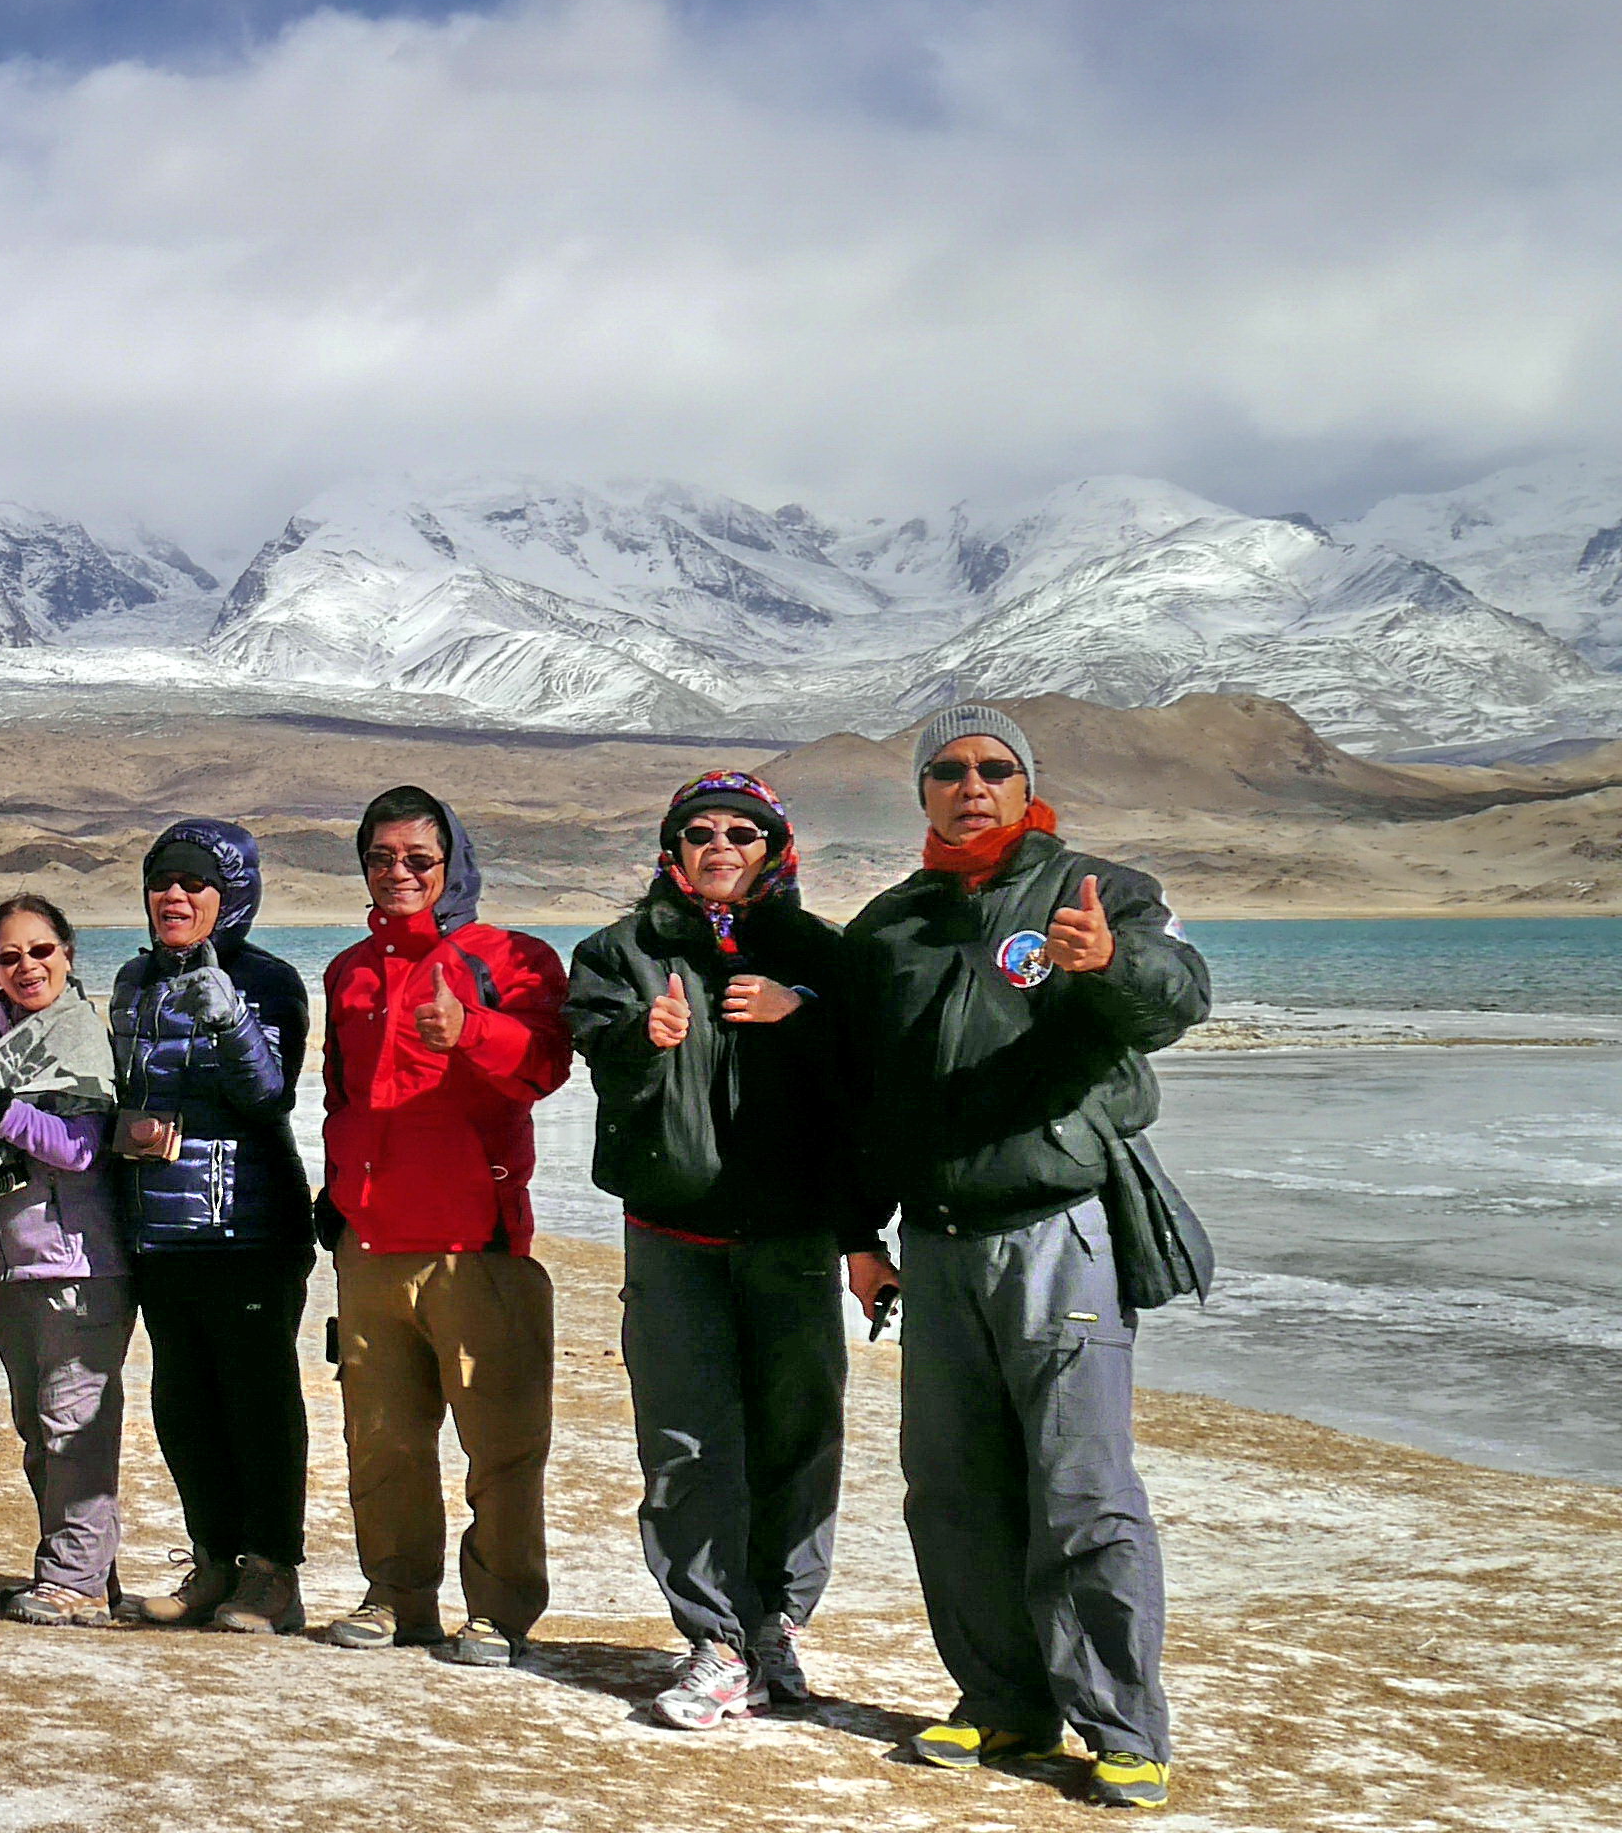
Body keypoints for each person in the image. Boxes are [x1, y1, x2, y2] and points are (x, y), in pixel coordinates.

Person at [837, 706, 1208, 1809]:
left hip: (1057, 1226)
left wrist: (1111, 962)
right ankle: (1002, 1702)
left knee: (1081, 1486)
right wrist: (857, 1233)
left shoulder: (1095, 892)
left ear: (1024, 783)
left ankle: (1122, 1727)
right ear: (922, 790)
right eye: (948, 770)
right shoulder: (891, 926)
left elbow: (1179, 995)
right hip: (936, 1242)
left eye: (994, 768)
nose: (972, 786)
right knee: (951, 1489)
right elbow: (863, 1097)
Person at [565, 770, 857, 1730]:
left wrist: (800, 1012)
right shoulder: (620, 950)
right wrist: (640, 1036)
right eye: (700, 832)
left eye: (742, 832)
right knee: (685, 1443)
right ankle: (716, 1641)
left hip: (791, 1235)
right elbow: (587, 1038)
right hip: (672, 1234)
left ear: (775, 848)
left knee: (798, 1434)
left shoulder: (820, 953)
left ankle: (775, 1625)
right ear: (673, 850)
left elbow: (870, 1072)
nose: (720, 847)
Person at [317, 785, 575, 1667]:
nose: (399, 873)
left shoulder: (511, 957)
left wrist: (472, 1029)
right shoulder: (349, 971)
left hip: (478, 1243)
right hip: (371, 1244)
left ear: (452, 864)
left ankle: (499, 1611)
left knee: (502, 1446)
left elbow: (547, 1067)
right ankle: (397, 1595)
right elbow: (341, 1095)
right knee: (381, 1441)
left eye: (418, 859)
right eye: (381, 858)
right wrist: (337, 1192)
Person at [110, 817, 315, 1635]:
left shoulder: (268, 980)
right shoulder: (133, 980)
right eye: (162, 880)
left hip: (249, 1229)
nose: (174, 895)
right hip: (159, 1231)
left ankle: (273, 1574)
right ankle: (214, 1561)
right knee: (183, 1405)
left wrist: (231, 1021)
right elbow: (120, 1086)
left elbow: (269, 1095)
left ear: (230, 895)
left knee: (258, 1405)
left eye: (195, 882)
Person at [0, 893, 132, 1627]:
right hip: (14, 1261)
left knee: (73, 1426)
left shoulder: (77, 1038)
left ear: (68, 954)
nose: (28, 966)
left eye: (41, 951)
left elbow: (79, 1148)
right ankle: (86, 1570)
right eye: (10, 956)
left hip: (78, 1261)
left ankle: (74, 1580)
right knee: (39, 1430)